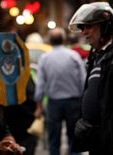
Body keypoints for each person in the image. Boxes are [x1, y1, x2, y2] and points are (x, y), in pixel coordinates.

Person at [68, 2, 113, 155]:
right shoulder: (96, 54)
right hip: (97, 139)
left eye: (89, 27)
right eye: (82, 28)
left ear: (105, 26)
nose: (84, 32)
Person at [34, 27, 86, 155]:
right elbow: (83, 81)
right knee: (74, 139)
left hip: (54, 103)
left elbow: (40, 84)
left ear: (50, 41)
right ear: (64, 40)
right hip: (74, 103)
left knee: (53, 140)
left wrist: (39, 107)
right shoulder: (74, 56)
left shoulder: (45, 58)